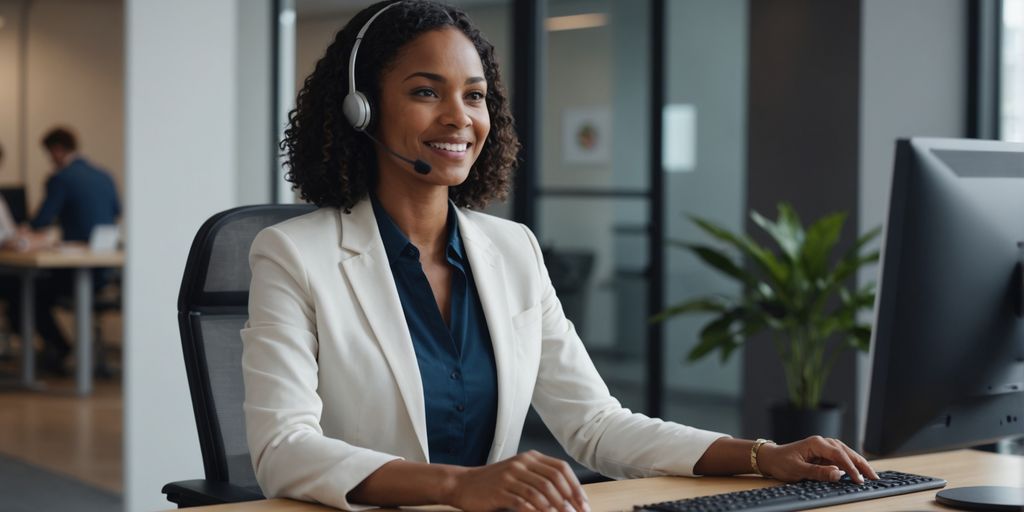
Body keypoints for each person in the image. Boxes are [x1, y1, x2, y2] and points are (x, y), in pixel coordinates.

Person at [241, 2, 879, 511]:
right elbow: (284, 448)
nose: (460, 117)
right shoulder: (294, 255)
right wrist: (456, 486)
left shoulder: (511, 251)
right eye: (426, 92)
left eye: (475, 94)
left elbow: (596, 426)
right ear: (361, 110)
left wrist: (762, 456)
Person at [6, 127, 121, 374]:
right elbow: (116, 210)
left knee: (24, 292)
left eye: (49, 155)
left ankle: (59, 349)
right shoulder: (103, 175)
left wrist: (26, 232)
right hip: (105, 272)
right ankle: (59, 351)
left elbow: (41, 220)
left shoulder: (62, 178)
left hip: (72, 271)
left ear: (57, 151)